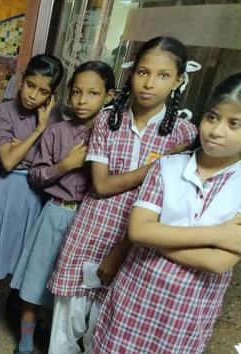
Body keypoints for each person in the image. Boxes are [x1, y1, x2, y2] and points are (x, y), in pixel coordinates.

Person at [46, 36, 199, 353]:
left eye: (163, 75)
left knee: (106, 328)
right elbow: (101, 185)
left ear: (179, 81)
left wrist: (122, 248)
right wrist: (162, 164)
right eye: (143, 72)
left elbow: (170, 206)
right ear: (132, 74)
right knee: (66, 323)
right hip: (90, 231)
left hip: (135, 245)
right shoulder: (108, 120)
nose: (149, 83)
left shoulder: (185, 134)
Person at [93, 72, 241, 353]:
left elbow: (218, 262)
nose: (216, 130)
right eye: (212, 117)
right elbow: (138, 230)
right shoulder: (168, 167)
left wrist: (156, 238)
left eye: (234, 124)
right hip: (137, 292)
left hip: (187, 309)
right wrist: (219, 233)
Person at [10, 61, 116, 354]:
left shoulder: (112, 136)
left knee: (75, 289)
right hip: (56, 213)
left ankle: (60, 338)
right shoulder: (57, 132)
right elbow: (36, 175)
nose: (82, 100)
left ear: (108, 96)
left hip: (90, 219)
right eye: (77, 92)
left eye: (92, 93)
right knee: (35, 280)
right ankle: (26, 342)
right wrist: (65, 165)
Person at [0, 54, 64, 348]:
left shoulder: (58, 118)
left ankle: (9, 308)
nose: (33, 95)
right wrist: (38, 132)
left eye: (43, 91)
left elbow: (53, 162)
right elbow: (7, 160)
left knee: (23, 260)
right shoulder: (3, 112)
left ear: (52, 94)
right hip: (6, 190)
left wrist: (33, 142)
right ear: (22, 80)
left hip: (38, 194)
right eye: (30, 85)